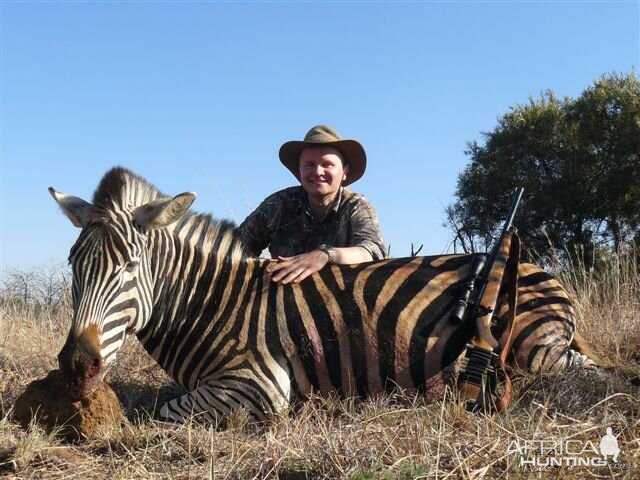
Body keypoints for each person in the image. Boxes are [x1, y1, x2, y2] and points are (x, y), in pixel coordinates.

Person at [237, 125, 386, 284]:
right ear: (299, 170)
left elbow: (372, 250)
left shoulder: (356, 206)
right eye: (309, 165)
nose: (317, 172)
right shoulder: (278, 204)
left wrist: (325, 255)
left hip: (342, 299)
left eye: (327, 164)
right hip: (283, 296)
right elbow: (236, 246)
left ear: (345, 171)